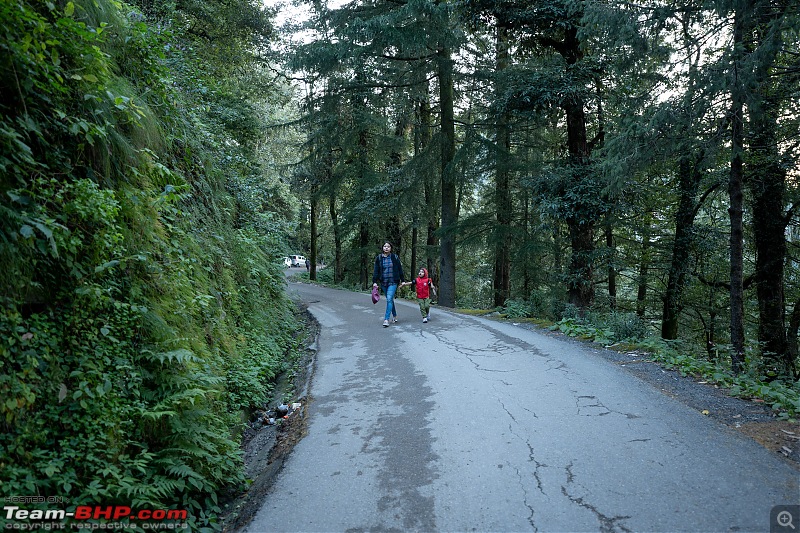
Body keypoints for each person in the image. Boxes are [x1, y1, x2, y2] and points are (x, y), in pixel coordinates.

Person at [372, 242, 406, 327]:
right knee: (389, 299)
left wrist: (403, 280)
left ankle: (386, 319)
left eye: (388, 246)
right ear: (382, 248)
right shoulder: (379, 258)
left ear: (391, 248)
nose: (386, 248)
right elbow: (376, 271)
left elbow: (399, 269)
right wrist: (375, 282)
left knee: (389, 298)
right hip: (384, 282)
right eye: (385, 246)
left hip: (393, 282)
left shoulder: (395, 257)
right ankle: (394, 315)